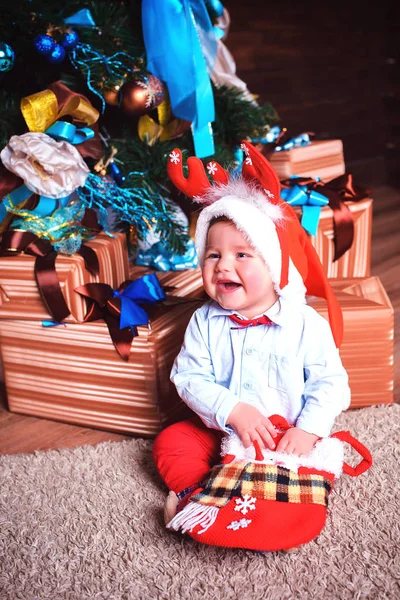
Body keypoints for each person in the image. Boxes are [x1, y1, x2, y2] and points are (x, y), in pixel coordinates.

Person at [153, 141, 350, 525]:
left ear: (274, 265)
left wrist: (308, 430)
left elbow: (331, 383)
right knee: (172, 441)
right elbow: (188, 376)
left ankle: (267, 498)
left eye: (242, 255)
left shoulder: (304, 324)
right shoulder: (204, 321)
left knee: (302, 462)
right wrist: (231, 409)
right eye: (213, 255)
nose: (224, 265)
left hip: (284, 433)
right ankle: (201, 495)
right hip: (220, 428)